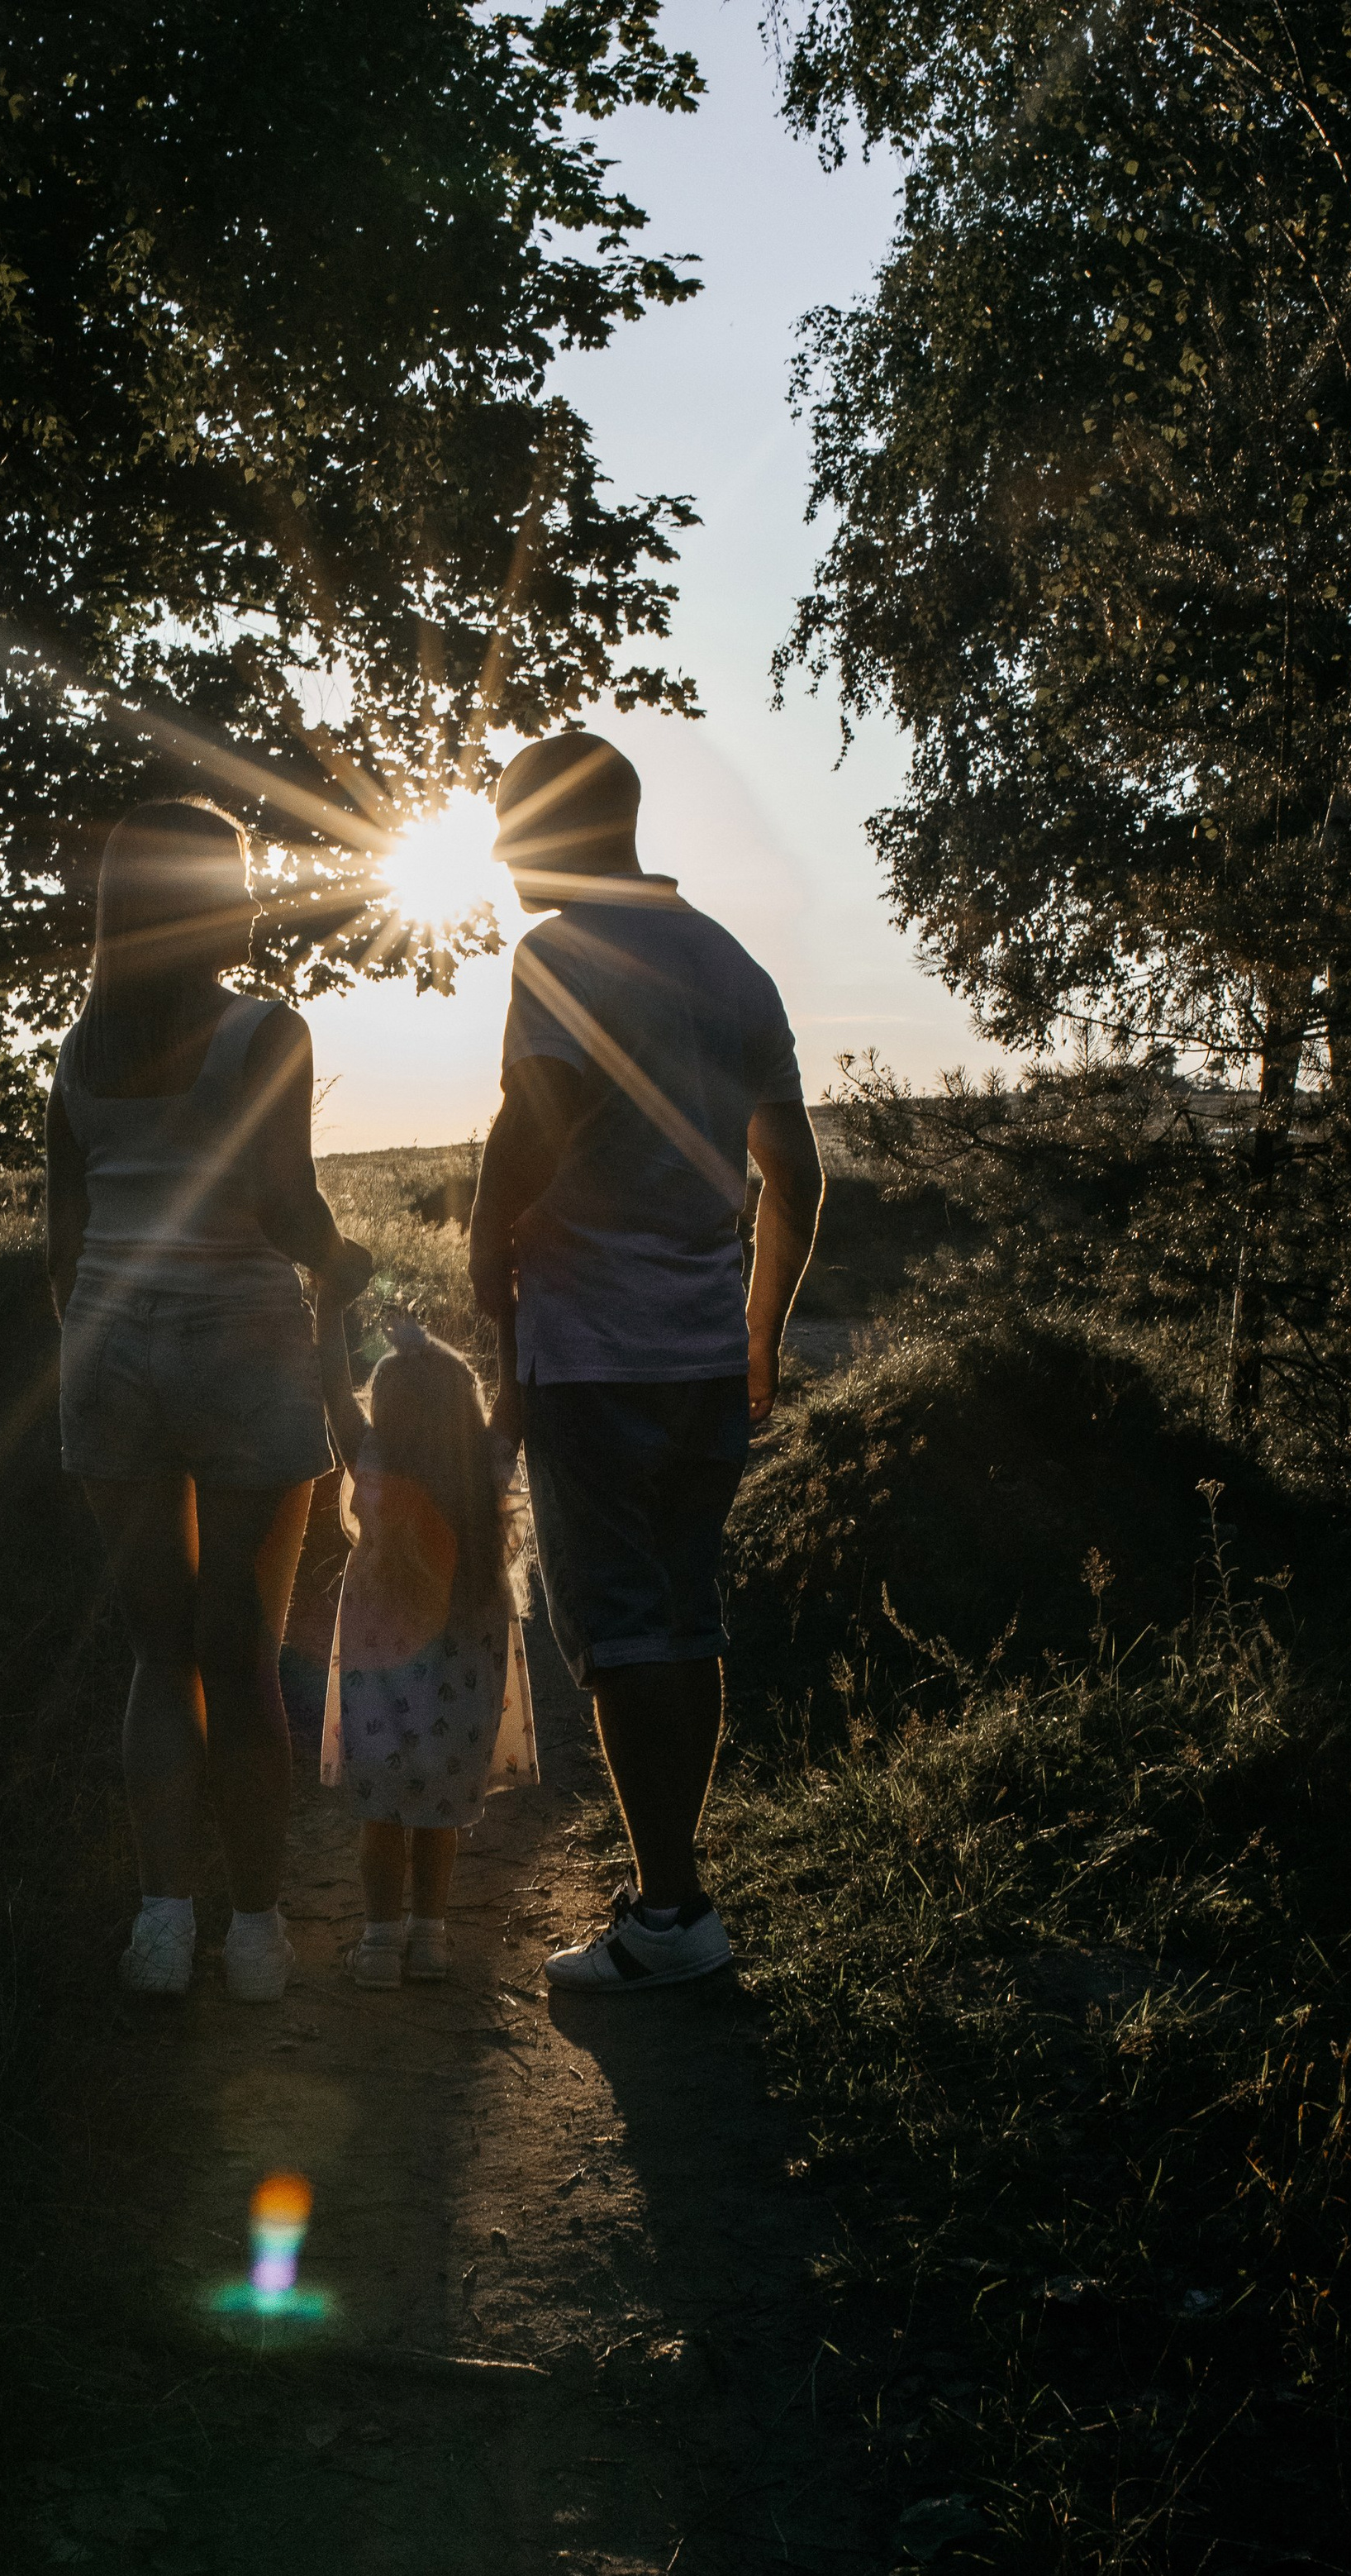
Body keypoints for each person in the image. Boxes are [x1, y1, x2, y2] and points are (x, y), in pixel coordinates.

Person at [469, 731, 824, 1992]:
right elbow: (796, 1172)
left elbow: (531, 1138)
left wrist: (483, 1283)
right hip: (696, 1360)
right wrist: (760, 1332)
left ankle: (667, 1913)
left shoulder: (559, 955)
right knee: (688, 1616)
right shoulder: (734, 967)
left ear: (562, 828)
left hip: (593, 1354)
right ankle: (682, 1902)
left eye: (511, 824)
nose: (499, 852)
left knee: (623, 1632)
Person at [47, 796, 371, 2002]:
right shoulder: (265, 1033)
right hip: (239, 1343)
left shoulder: (81, 1054)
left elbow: (60, 1240)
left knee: (155, 1652)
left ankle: (161, 1924)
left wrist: (92, 1349)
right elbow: (285, 1207)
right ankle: (256, 1931)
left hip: (110, 1348)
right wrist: (346, 1263)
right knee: (241, 1655)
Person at [311, 1294, 538, 1986]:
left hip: (381, 1667)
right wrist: (511, 1314)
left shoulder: (373, 1461)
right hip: (463, 1672)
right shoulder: (485, 1468)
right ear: (463, 1409)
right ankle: (430, 1938)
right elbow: (517, 1396)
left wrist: (329, 1312)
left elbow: (331, 1392)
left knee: (381, 1808)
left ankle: (380, 1943)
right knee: (440, 1806)